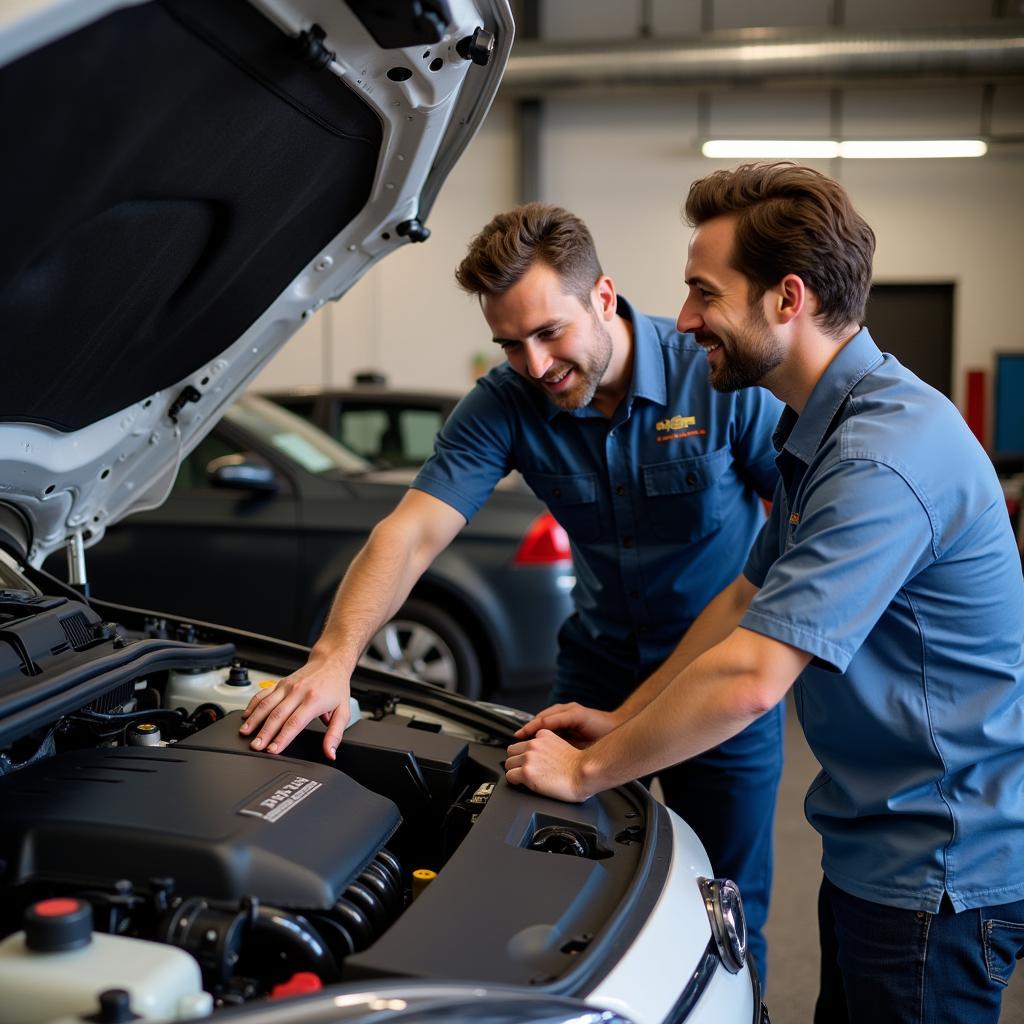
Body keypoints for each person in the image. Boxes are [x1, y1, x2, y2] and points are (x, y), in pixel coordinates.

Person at [504, 164, 1024, 1024]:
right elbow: (745, 600)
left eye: (705, 293)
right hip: (876, 850)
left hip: (939, 872)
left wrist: (589, 769)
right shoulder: (821, 429)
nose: (688, 320)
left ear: (788, 298)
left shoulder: (880, 454)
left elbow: (751, 677)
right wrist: (626, 720)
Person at [239, 202, 784, 985]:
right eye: (509, 343)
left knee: (724, 913)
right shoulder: (505, 401)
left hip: (714, 689)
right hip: (593, 677)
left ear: (603, 296)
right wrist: (334, 658)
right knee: (561, 896)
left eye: (550, 333)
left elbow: (791, 532)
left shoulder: (715, 372)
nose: (532, 364)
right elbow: (411, 533)